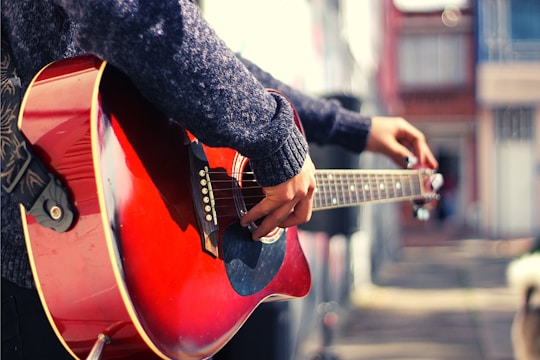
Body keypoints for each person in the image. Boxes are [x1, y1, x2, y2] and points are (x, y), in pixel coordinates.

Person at [1, 0, 438, 358]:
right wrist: (272, 138)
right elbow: (134, 14)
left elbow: (206, 56)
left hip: (91, 281)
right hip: (45, 264)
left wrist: (350, 129)